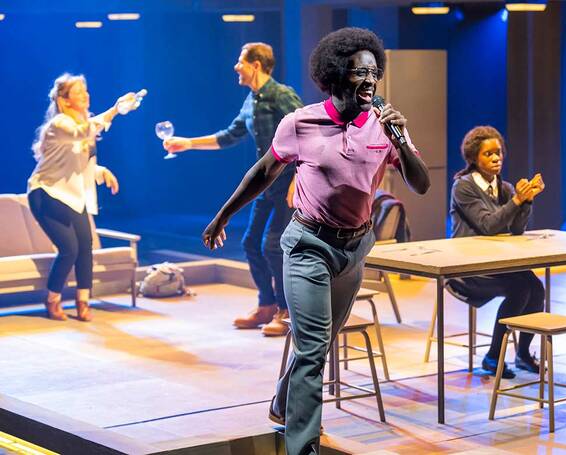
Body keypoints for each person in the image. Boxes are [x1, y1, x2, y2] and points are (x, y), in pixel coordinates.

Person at [201, 28, 430, 455]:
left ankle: (282, 402)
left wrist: (401, 138)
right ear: (335, 74)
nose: (369, 81)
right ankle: (302, 445)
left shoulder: (383, 125)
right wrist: (222, 215)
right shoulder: (300, 122)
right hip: (308, 244)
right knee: (311, 347)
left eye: (374, 73)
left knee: (319, 343)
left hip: (354, 248)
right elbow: (263, 172)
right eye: (359, 72)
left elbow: (420, 184)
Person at [164, 42, 303, 337]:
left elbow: (307, 133)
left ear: (255, 65)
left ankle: (285, 310)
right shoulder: (251, 101)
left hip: (288, 185)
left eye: (240, 62)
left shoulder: (282, 95)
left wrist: (298, 180)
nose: (235, 67)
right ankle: (266, 305)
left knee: (274, 246)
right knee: (251, 243)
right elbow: (229, 136)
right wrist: (188, 143)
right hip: (265, 185)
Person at [28, 73, 136, 321]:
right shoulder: (60, 124)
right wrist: (115, 110)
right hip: (46, 195)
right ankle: (53, 299)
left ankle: (82, 301)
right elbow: (81, 132)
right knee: (69, 248)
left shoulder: (84, 126)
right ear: (65, 102)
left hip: (73, 196)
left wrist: (100, 171)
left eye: (86, 90)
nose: (86, 95)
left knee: (85, 246)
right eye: (78, 92)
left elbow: (80, 163)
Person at [448, 125, 546, 379]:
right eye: (489, 154)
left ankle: (522, 353)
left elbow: (516, 228)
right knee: (520, 288)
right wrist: (516, 201)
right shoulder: (463, 187)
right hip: (466, 269)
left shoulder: (505, 188)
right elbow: (488, 225)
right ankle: (493, 357)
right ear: (473, 158)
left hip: (495, 263)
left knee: (536, 288)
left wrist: (527, 200)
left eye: (499, 153)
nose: (496, 158)